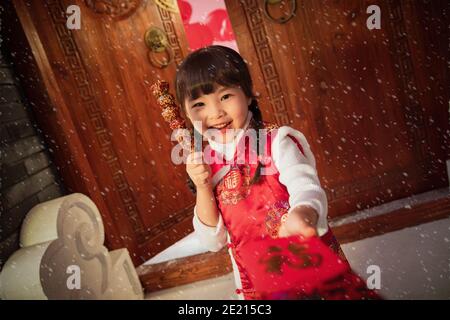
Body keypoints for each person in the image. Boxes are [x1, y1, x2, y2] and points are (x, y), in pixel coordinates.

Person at [174, 45, 346, 300]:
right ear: (187, 113)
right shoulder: (206, 162)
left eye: (225, 96)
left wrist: (303, 214)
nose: (216, 113)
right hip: (257, 281)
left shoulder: (277, 142)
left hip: (307, 262)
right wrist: (202, 186)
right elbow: (213, 241)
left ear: (249, 95)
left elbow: (306, 187)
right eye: (199, 104)